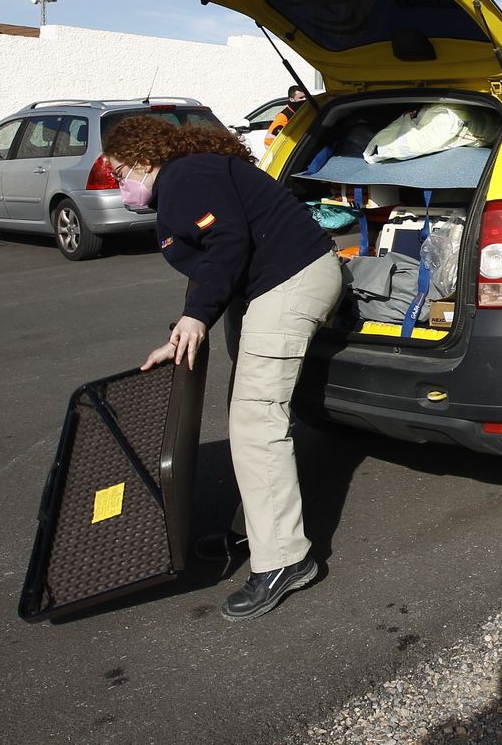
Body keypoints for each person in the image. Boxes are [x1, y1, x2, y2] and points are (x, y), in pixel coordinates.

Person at [102, 114, 343, 621]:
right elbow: (211, 260)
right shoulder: (187, 176)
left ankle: (285, 560)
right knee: (249, 410)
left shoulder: (186, 176)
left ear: (146, 159)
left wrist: (196, 317)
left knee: (256, 419)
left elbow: (226, 241)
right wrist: (185, 327)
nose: (119, 182)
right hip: (278, 281)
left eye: (120, 170)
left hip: (290, 281)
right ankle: (255, 529)